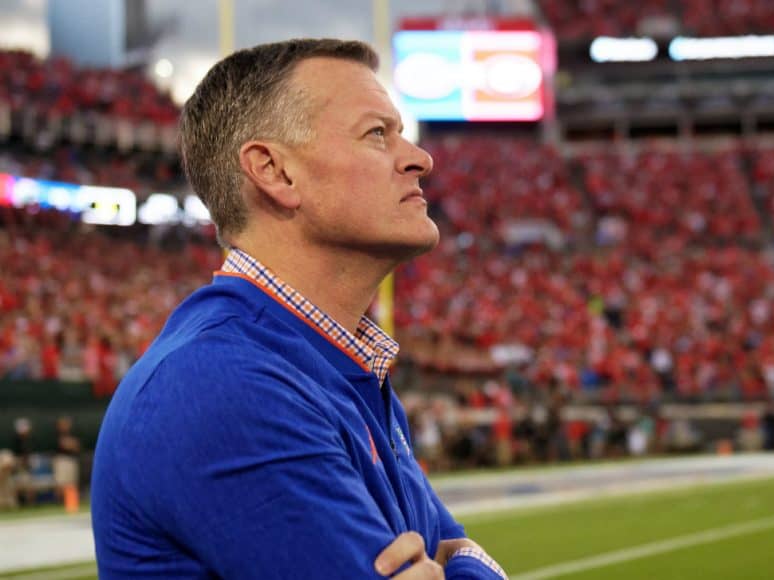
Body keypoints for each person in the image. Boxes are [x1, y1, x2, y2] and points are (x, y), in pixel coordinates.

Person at [91, 39, 507, 579]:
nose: (419, 158)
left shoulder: (330, 363)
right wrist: (471, 561)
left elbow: (447, 549)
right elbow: (447, 550)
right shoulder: (227, 382)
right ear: (274, 171)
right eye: (377, 134)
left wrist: (459, 559)